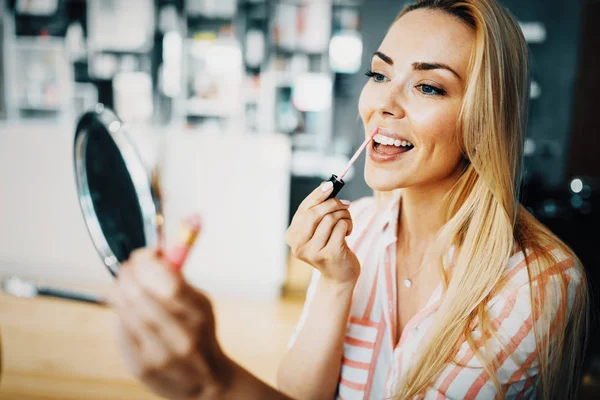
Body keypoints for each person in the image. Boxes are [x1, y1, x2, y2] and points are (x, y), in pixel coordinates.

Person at [107, 0, 588, 399]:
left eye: (427, 86)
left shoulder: (535, 282)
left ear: (484, 118)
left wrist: (212, 382)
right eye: (379, 75)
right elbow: (300, 392)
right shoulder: (356, 227)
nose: (383, 103)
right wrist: (337, 284)